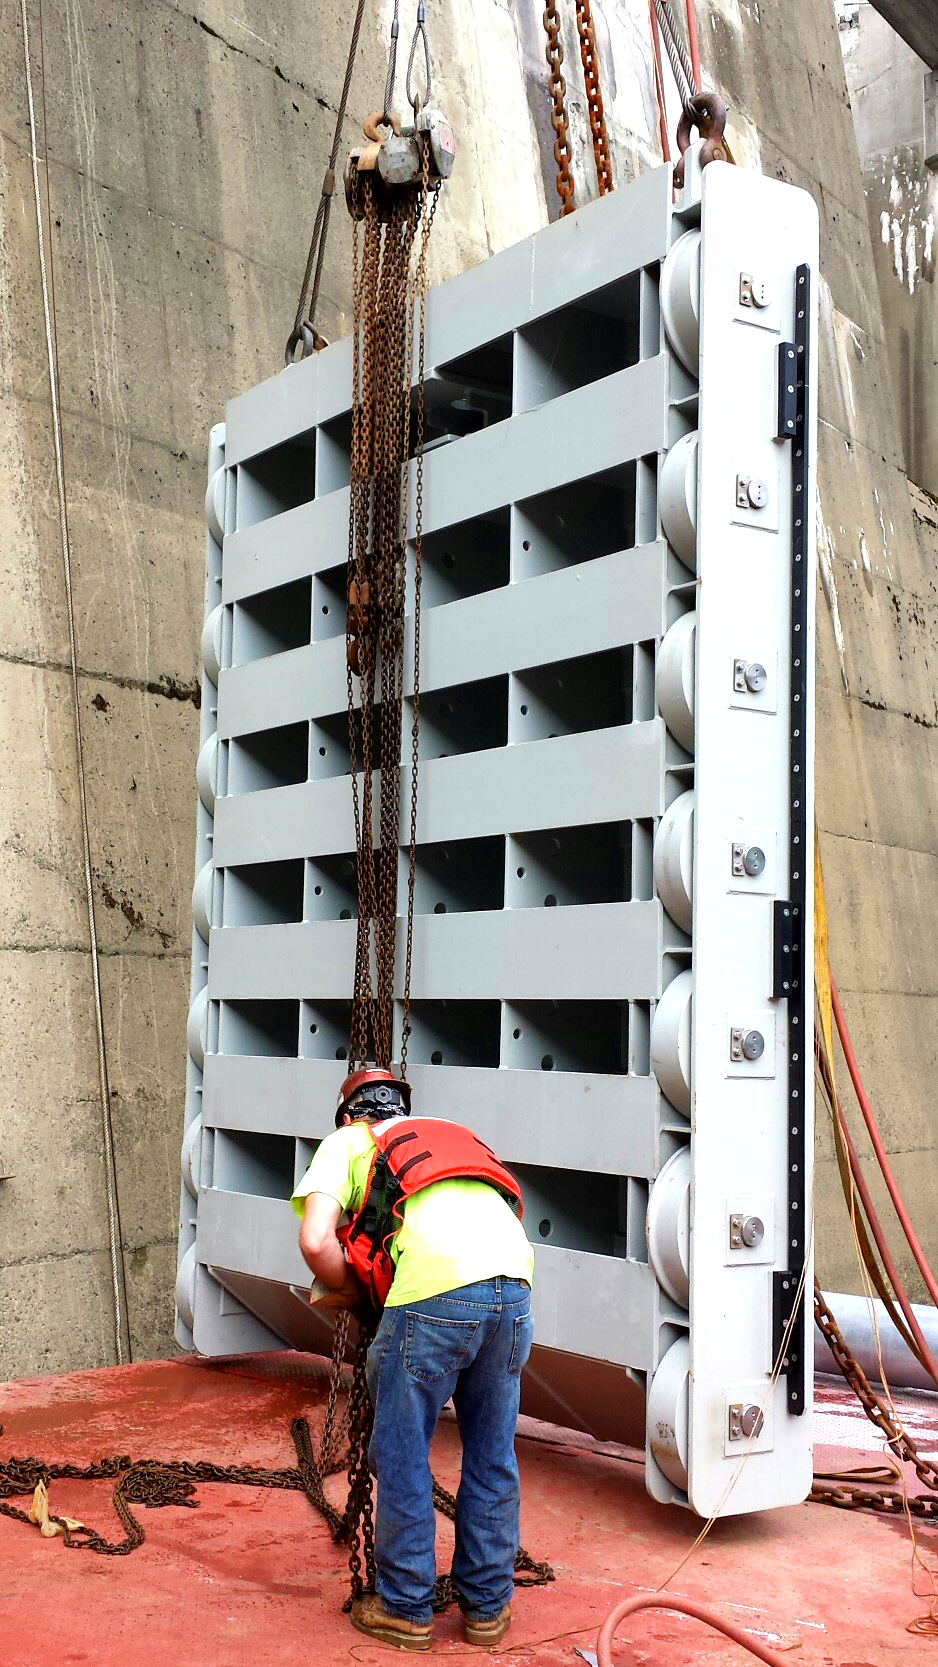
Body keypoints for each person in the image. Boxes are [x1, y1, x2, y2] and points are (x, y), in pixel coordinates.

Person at [293, 1066, 535, 1653]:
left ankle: (404, 1608)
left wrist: (349, 1287)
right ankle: (487, 1610)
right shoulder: (448, 1133)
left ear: (350, 1114)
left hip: (432, 1296)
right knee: (492, 1452)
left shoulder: (350, 1140)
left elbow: (317, 1241)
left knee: (402, 1453)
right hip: (514, 1288)